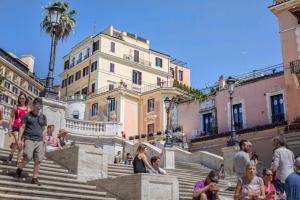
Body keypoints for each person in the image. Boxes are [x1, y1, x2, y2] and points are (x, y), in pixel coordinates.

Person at [15, 98, 47, 185]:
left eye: (40, 106)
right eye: (37, 106)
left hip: (39, 141)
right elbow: (22, 127)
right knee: (28, 156)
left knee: (38, 160)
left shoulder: (43, 117)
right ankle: (20, 168)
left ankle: (34, 178)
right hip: (29, 139)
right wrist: (19, 139)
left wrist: (44, 140)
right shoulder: (27, 115)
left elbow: (44, 129)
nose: (38, 108)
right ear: (33, 106)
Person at [7, 93, 29, 164]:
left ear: (25, 99)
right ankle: (18, 161)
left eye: (23, 98)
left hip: (24, 129)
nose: (21, 100)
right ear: (18, 99)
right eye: (20, 98)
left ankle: (13, 157)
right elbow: (11, 117)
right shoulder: (15, 107)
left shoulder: (28, 109)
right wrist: (9, 129)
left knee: (19, 144)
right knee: (19, 142)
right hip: (15, 127)